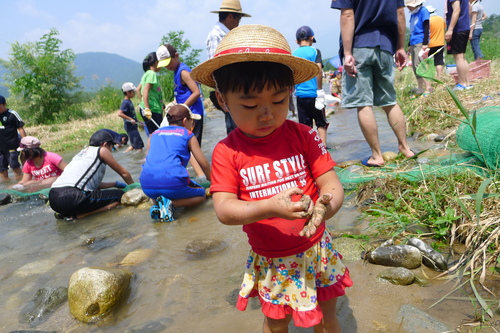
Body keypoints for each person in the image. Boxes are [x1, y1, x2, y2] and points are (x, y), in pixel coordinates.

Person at [191, 24, 352, 332]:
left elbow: (331, 184)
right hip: (272, 260)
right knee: (276, 324)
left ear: (290, 92)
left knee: (327, 317)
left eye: (278, 101)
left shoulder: (304, 135)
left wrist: (323, 208)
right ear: (223, 101)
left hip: (317, 248)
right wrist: (270, 207)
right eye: (250, 105)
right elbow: (225, 210)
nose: (266, 114)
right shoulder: (227, 152)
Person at [331, 0, 415, 167]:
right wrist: (400, 47)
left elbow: (348, 15)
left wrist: (347, 53)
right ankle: (405, 148)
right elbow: (400, 14)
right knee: (389, 101)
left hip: (360, 46)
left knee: (363, 103)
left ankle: (377, 156)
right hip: (385, 46)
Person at [140, 104, 211, 222]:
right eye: (191, 121)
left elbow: (149, 160)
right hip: (172, 183)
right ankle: (172, 204)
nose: (193, 124)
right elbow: (203, 163)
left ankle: (157, 205)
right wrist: (213, 180)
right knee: (201, 195)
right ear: (185, 121)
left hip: (146, 185)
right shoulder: (187, 134)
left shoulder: (154, 134)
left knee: (161, 186)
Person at [49, 130, 135, 220]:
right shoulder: (102, 150)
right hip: (73, 196)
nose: (112, 150)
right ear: (105, 144)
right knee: (119, 196)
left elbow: (88, 182)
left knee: (97, 194)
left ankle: (65, 215)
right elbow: (124, 173)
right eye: (112, 146)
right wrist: (133, 188)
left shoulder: (81, 154)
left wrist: (115, 184)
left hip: (54, 198)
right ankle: (80, 216)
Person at [206, 0, 251, 135]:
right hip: (229, 89)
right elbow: (217, 66)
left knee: (241, 126)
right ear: (230, 16)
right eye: (238, 18)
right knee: (235, 128)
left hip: (235, 87)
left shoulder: (226, 34)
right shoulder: (216, 36)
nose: (239, 22)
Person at [156, 44, 205, 145]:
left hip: (193, 114)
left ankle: (198, 161)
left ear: (176, 56)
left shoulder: (183, 71)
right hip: (184, 114)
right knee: (185, 146)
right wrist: (174, 103)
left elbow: (196, 92)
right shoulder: (175, 71)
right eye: (164, 64)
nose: (167, 66)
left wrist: (183, 107)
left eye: (168, 62)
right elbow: (182, 92)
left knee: (193, 146)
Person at [292, 26, 330, 149]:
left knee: (305, 125)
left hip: (300, 96)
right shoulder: (315, 51)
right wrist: (320, 90)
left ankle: (308, 149)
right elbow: (318, 70)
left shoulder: (294, 54)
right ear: (312, 38)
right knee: (321, 123)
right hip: (315, 95)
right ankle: (323, 147)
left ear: (297, 41)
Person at [406, 0, 432, 97]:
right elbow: (412, 30)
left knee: (420, 65)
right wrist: (409, 44)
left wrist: (425, 42)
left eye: (410, 6)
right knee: (414, 66)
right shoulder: (413, 14)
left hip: (420, 40)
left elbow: (426, 27)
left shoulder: (423, 11)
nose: (408, 8)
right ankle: (420, 87)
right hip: (413, 41)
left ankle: (428, 87)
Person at [446, 0, 471, 90]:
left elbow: (456, 10)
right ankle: (467, 82)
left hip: (458, 28)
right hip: (465, 26)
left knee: (458, 57)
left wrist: (450, 29)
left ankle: (462, 83)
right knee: (462, 57)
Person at [0, 95, 26, 180]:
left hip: (12, 146)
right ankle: (7, 190)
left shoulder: (12, 114)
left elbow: (20, 128)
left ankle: (20, 185)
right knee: (1, 168)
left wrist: (25, 143)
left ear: (4, 104)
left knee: (14, 165)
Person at [137, 52, 163, 134]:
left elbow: (138, 89)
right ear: (156, 62)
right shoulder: (152, 74)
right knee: (157, 134)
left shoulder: (146, 74)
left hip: (148, 108)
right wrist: (147, 108)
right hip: (152, 109)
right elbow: (146, 90)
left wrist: (143, 104)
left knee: (152, 134)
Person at [118, 82, 145, 152]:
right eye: (133, 91)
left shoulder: (129, 101)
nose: (134, 93)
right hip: (130, 127)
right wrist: (130, 119)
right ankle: (140, 159)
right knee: (139, 146)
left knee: (134, 145)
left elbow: (131, 114)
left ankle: (124, 154)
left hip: (132, 126)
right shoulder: (125, 102)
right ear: (127, 92)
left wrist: (138, 121)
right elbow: (120, 113)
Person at [427, 5, 446, 78]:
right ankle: (439, 77)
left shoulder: (427, 20)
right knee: (439, 62)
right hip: (440, 43)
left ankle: (428, 77)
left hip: (430, 44)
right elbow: (444, 28)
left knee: (427, 62)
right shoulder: (441, 19)